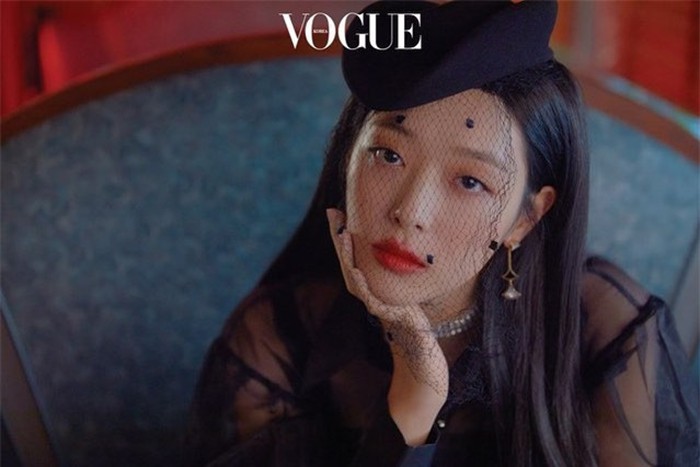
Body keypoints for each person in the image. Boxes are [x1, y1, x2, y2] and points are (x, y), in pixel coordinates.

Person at [185, 1, 699, 466]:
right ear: (348, 158)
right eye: (388, 155)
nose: (411, 212)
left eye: (470, 182)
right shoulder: (277, 340)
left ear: (526, 217)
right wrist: (413, 405)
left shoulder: (603, 330)